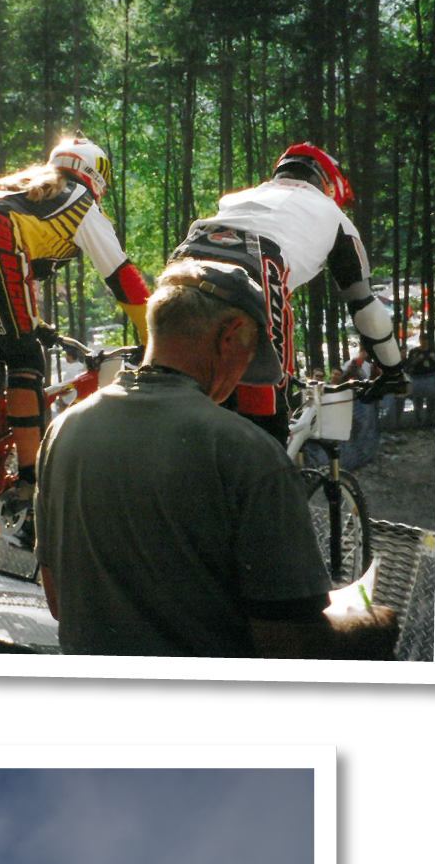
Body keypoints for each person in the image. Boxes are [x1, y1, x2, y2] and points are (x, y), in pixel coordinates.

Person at [34, 257, 399, 659]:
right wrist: (371, 623)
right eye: (249, 358)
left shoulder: (64, 431)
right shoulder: (247, 452)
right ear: (231, 334)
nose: (243, 376)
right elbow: (288, 643)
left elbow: (57, 600)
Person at [0, 135, 151, 543]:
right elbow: (124, 280)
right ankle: (30, 487)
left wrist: (33, 322)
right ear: (97, 177)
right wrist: (155, 338)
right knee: (25, 360)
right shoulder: (81, 201)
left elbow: (9, 278)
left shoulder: (19, 186)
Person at [169, 143, 408, 446]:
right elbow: (367, 312)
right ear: (330, 185)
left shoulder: (244, 196)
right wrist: (393, 372)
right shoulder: (335, 216)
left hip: (186, 258)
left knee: (178, 389)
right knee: (266, 428)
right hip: (256, 264)